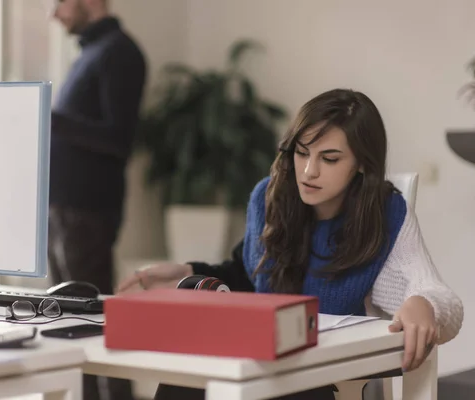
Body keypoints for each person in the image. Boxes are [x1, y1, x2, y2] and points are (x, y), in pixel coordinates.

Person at [117, 88, 464, 400]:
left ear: (361, 164)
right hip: (260, 362)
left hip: (321, 376)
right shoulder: (268, 197)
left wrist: (425, 304)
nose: (309, 171)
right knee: (187, 376)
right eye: (301, 153)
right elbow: (248, 272)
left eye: (329, 159)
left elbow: (439, 297)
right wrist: (189, 271)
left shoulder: (384, 214)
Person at [49, 0, 146, 399]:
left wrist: (52, 118)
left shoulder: (120, 52)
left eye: (59, 2)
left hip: (88, 209)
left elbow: (118, 139)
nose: (54, 13)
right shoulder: (91, 52)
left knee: (92, 318)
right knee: (67, 319)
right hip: (66, 207)